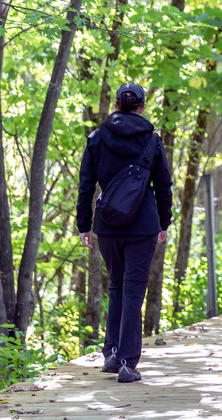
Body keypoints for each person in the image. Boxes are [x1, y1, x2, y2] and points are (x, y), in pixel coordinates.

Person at [76, 83, 173, 383]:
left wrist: (84, 225)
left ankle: (111, 354)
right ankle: (128, 363)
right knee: (133, 291)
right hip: (143, 225)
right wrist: (164, 222)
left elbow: (86, 185)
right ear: (141, 107)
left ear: (117, 104)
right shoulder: (152, 141)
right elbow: (164, 186)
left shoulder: (96, 138)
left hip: (107, 226)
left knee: (116, 287)